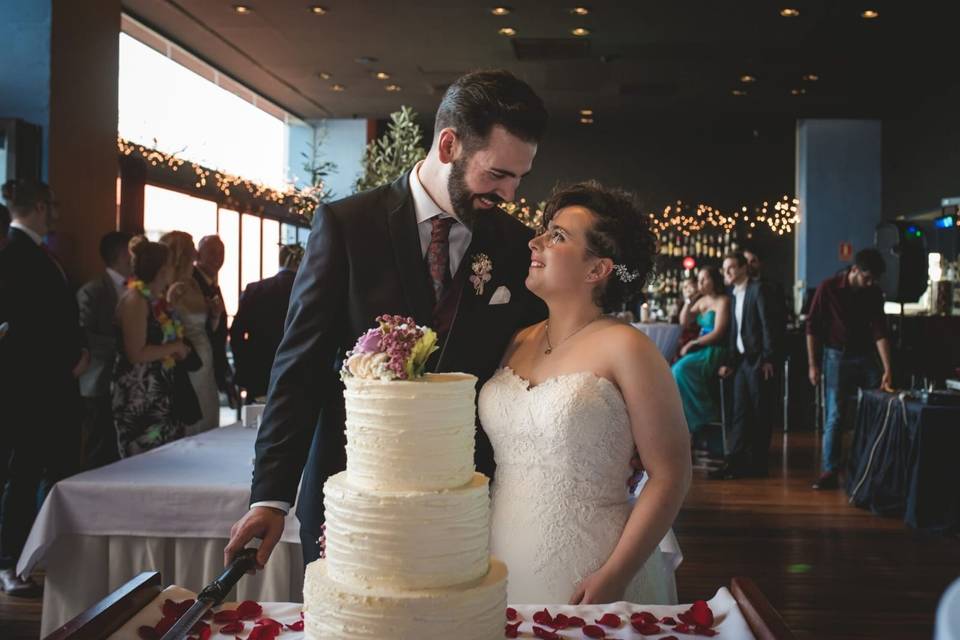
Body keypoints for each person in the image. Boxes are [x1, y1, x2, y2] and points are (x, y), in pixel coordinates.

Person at [224, 69, 549, 571]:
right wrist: (270, 497)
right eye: (497, 175)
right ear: (448, 146)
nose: (509, 194)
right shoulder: (347, 226)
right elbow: (300, 368)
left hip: (463, 499)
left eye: (519, 178)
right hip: (353, 490)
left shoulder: (512, 244)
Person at [478, 182, 690, 604]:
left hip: (592, 568)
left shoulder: (628, 348)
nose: (535, 241)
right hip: (498, 560)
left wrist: (615, 575)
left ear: (597, 270)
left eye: (557, 235)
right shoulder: (515, 340)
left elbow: (671, 475)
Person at [0, 179, 86, 596]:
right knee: (23, 473)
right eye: (53, 204)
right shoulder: (15, 253)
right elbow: (24, 327)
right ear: (38, 206)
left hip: (51, 385)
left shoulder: (35, 252)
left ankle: (35, 553)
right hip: (31, 389)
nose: (57, 211)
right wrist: (65, 363)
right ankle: (10, 561)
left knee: (43, 471)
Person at [806, 248, 893, 490]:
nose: (870, 283)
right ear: (854, 270)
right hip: (836, 356)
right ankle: (830, 470)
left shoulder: (873, 292)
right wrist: (813, 364)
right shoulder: (829, 287)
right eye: (867, 277)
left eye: (873, 279)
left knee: (876, 409)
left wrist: (888, 369)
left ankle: (869, 465)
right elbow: (812, 327)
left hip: (865, 356)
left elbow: (880, 331)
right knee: (835, 415)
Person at [113, 236, 190, 457]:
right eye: (169, 264)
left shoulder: (155, 300)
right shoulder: (135, 300)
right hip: (140, 393)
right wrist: (175, 347)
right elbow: (136, 353)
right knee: (144, 459)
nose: (172, 269)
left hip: (160, 391)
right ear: (161, 269)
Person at [714, 252, 781, 479]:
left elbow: (768, 326)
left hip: (759, 360)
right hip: (742, 361)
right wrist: (729, 362)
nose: (728, 272)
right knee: (740, 412)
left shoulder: (758, 289)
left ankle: (759, 464)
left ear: (743, 268)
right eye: (725, 269)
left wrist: (769, 358)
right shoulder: (732, 294)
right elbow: (735, 331)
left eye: (732, 267)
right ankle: (734, 463)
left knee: (760, 412)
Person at [76, 231, 132, 469]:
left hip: (127, 382)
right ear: (122, 254)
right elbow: (85, 334)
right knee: (98, 446)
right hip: (99, 379)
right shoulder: (92, 290)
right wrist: (126, 348)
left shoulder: (138, 289)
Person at [161, 231, 219, 435]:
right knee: (193, 413)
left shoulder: (193, 283)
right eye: (192, 247)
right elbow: (165, 324)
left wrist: (214, 315)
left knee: (209, 408)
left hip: (205, 351)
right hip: (187, 356)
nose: (196, 252)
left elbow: (208, 326)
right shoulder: (170, 287)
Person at [230, 244, 303, 402]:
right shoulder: (305, 292)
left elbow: (236, 333)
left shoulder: (255, 289)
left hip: (258, 373)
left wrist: (243, 370)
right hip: (298, 372)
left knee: (255, 423)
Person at [671, 265, 731, 434]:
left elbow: (719, 332)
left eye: (705, 279)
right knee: (674, 370)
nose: (701, 283)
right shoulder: (701, 300)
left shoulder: (723, 301)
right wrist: (689, 300)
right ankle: (686, 422)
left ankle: (703, 415)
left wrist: (693, 343)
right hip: (701, 349)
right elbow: (684, 321)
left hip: (714, 348)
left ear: (714, 280)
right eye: (699, 280)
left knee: (680, 369)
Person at [193, 235, 236, 407]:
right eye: (211, 252)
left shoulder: (214, 286)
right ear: (198, 254)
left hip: (211, 364)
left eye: (221, 253)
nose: (217, 258)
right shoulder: (192, 283)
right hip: (197, 363)